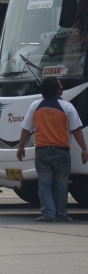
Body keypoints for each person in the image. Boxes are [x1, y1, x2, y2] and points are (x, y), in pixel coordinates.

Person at [17, 77, 88, 222]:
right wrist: (84, 148)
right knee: (61, 184)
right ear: (57, 90)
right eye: (61, 86)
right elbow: (76, 130)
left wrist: (21, 146)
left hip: (42, 151)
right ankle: (61, 214)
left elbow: (26, 128)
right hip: (61, 152)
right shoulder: (67, 107)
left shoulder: (35, 106)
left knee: (44, 184)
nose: (62, 88)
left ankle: (48, 214)